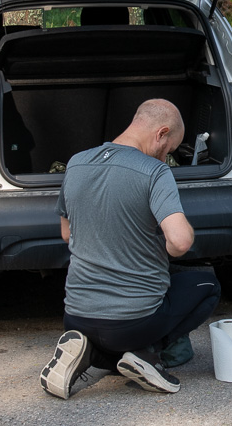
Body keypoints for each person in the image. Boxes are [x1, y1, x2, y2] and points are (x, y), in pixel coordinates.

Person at [39, 99, 220, 398]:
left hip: (76, 316)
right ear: (161, 134)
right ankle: (145, 355)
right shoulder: (154, 172)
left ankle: (90, 354)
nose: (166, 158)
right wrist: (172, 242)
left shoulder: (77, 162)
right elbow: (180, 242)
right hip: (133, 324)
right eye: (169, 150)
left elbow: (66, 232)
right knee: (207, 284)